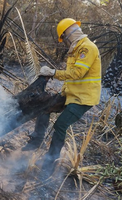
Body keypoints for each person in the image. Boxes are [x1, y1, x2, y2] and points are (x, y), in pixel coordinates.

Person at [38, 18, 101, 171]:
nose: (64, 41)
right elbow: (71, 78)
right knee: (44, 106)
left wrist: (53, 73)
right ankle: (36, 140)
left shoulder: (87, 48)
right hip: (72, 95)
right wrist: (61, 94)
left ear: (68, 34)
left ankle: (49, 163)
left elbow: (76, 73)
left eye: (63, 37)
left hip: (83, 99)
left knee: (60, 125)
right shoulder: (76, 50)